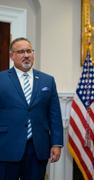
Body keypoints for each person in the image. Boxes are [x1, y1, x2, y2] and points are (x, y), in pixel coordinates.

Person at [0, 37, 64, 180]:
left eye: (29, 51)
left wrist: (56, 143)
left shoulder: (47, 80)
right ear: (12, 56)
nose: (26, 55)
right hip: (6, 146)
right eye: (21, 51)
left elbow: (54, 115)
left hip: (37, 148)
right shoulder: (1, 79)